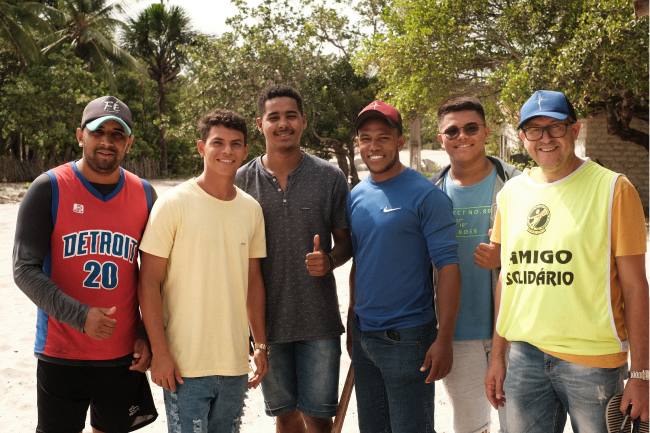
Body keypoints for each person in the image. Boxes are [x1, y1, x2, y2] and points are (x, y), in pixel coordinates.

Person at [485, 90, 649, 432]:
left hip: (593, 363)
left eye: (555, 127)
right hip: (523, 358)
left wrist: (641, 374)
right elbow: (507, 279)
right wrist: (498, 355)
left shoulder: (614, 190)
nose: (545, 138)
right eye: (534, 129)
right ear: (522, 137)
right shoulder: (510, 196)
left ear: (574, 131)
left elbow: (635, 287)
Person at [13, 95, 158, 433]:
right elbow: (24, 269)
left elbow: (155, 275)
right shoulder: (48, 188)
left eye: (117, 134)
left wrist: (146, 333)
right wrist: (80, 316)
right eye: (98, 132)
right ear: (81, 135)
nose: (107, 141)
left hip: (123, 353)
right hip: (61, 351)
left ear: (129, 142)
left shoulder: (145, 194)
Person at [137, 109, 269, 432]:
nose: (227, 151)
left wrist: (261, 345)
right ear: (201, 147)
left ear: (246, 151)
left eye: (236, 144)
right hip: (184, 366)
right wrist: (160, 352)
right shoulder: (172, 204)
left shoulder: (251, 210)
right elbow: (148, 283)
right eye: (218, 143)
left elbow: (253, 283)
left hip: (235, 365)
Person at [235, 84, 352, 433]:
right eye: (274, 117)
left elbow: (346, 242)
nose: (282, 124)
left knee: (318, 418)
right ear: (260, 124)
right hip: (266, 324)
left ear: (303, 120)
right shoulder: (241, 180)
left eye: (290, 116)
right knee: (284, 416)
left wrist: (329, 260)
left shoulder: (329, 176)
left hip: (319, 320)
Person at [347, 100, 462, 432]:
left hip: (408, 340)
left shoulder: (426, 196)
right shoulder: (356, 195)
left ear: (399, 141)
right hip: (364, 335)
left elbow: (449, 268)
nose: (374, 146)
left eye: (383, 137)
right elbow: (361, 261)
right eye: (366, 137)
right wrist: (353, 317)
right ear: (358, 143)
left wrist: (444, 338)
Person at [430, 96, 520, 433]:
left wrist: (506, 257)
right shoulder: (430, 193)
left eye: (471, 128)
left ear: (486, 132)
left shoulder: (519, 185)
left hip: (513, 331)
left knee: (519, 425)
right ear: (441, 139)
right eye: (451, 131)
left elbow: (546, 244)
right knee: (470, 427)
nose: (461, 136)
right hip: (458, 334)